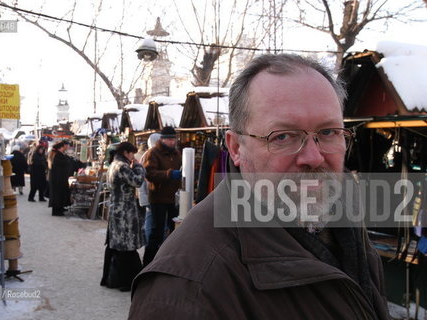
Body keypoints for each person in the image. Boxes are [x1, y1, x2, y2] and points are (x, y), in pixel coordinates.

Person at [128, 54, 390, 319]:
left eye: (328, 132)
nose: (313, 157)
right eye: (283, 136)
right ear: (236, 147)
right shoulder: (189, 289)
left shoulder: (345, 224)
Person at [101, 142, 145, 292]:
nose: (133, 156)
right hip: (124, 211)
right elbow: (137, 181)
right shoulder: (122, 166)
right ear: (127, 153)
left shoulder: (114, 164)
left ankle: (111, 278)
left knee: (116, 245)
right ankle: (126, 281)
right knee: (126, 246)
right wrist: (139, 166)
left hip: (116, 208)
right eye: (132, 153)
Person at [141, 126, 182, 266]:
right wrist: (169, 174)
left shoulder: (176, 154)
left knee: (174, 231)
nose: (172, 142)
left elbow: (182, 169)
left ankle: (167, 262)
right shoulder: (153, 153)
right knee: (156, 231)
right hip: (158, 197)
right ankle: (147, 263)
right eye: (169, 139)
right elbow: (149, 173)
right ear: (163, 139)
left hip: (173, 198)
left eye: (173, 139)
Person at [48, 141, 71, 216]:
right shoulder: (58, 155)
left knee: (59, 194)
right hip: (58, 178)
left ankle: (60, 208)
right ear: (61, 147)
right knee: (57, 195)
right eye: (64, 146)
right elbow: (64, 163)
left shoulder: (57, 154)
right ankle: (57, 211)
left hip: (58, 178)